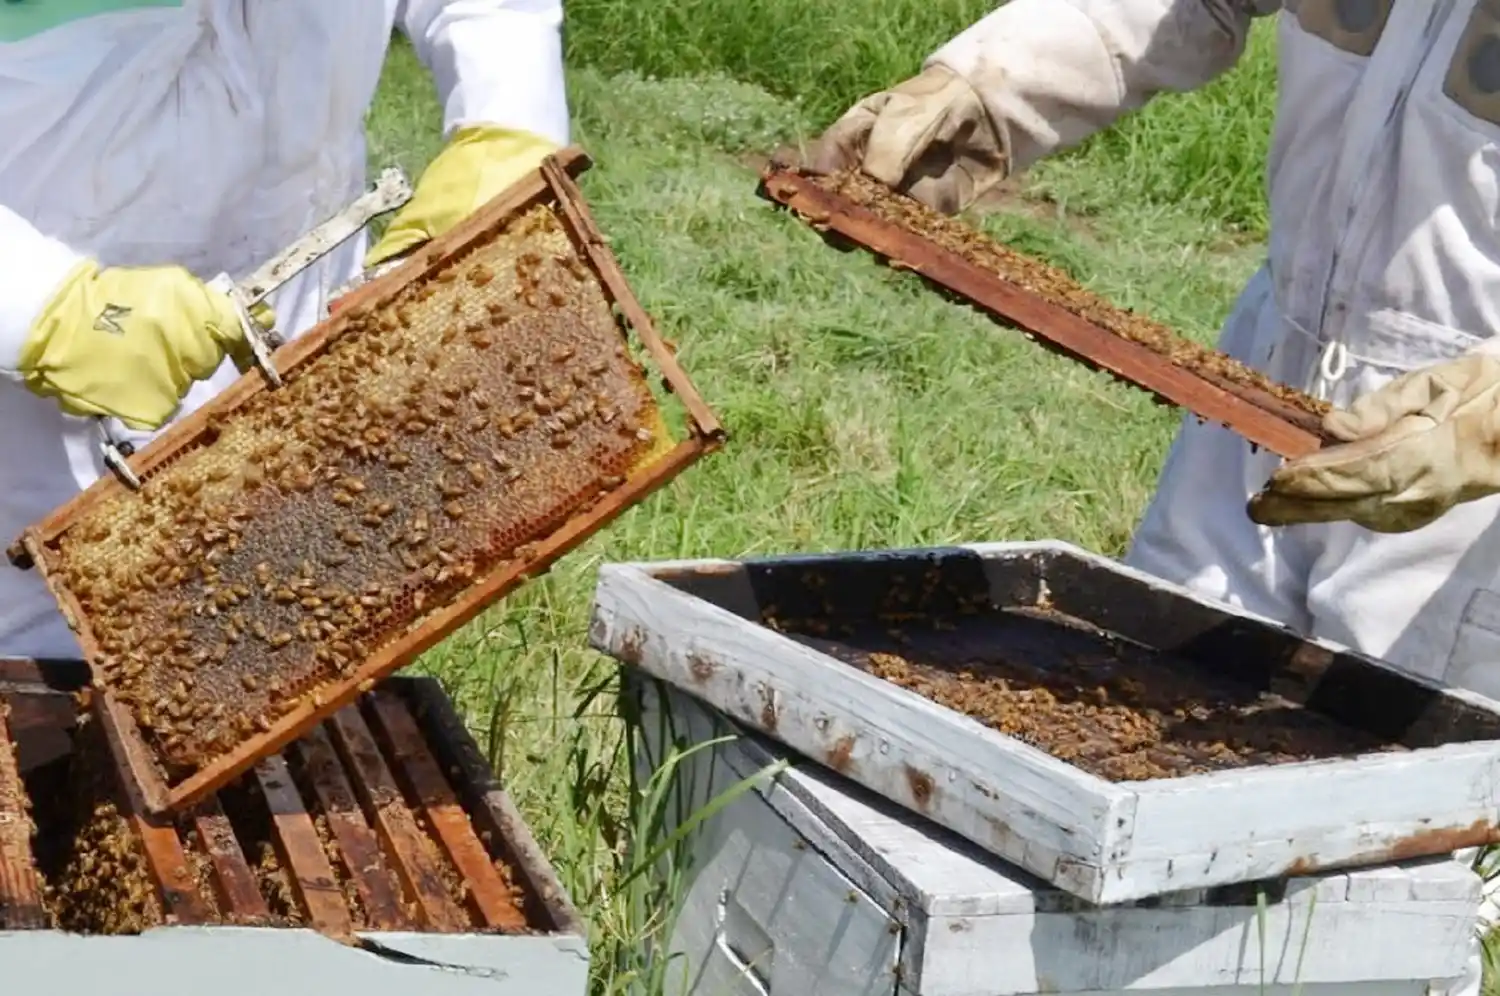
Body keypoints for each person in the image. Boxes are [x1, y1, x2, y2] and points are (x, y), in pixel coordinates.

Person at [811, 2, 1500, 993]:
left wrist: (1487, 421)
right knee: (1131, 803)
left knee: (1379, 908)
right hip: (1266, 388)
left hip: (1460, 510)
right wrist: (990, 87)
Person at [0, 1, 566, 658]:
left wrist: (508, 116)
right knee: (46, 681)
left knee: (273, 643)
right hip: (36, 374)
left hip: (297, 319)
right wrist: (38, 306)